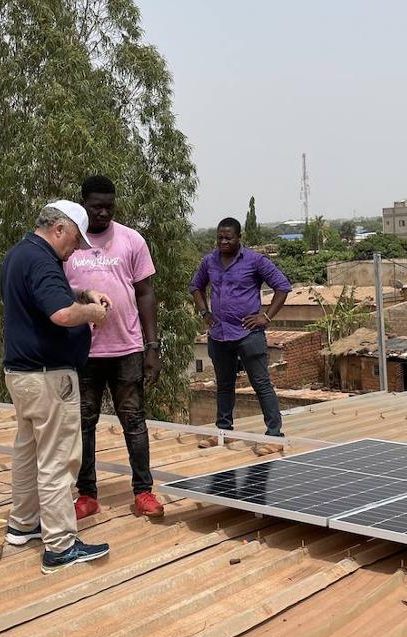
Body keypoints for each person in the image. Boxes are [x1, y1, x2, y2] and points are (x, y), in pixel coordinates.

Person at [0, 200, 113, 573]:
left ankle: (23, 523)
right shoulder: (44, 260)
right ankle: (61, 546)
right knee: (58, 459)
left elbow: (45, 302)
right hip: (49, 378)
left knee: (28, 451)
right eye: (75, 241)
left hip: (22, 375)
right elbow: (60, 314)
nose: (76, 249)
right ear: (59, 229)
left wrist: (83, 297)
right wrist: (92, 313)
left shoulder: (18, 254)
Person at [65, 175, 165, 520]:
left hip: (127, 349)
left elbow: (146, 293)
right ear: (83, 205)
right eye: (96, 207)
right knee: (83, 424)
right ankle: (87, 495)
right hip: (82, 353)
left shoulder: (131, 240)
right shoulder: (69, 245)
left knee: (134, 422)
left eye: (109, 206)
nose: (104, 213)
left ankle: (144, 491)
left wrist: (152, 347)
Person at [189, 217, 291, 455]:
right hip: (219, 335)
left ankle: (275, 436)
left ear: (238, 238)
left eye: (228, 238)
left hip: (248, 335)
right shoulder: (209, 261)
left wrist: (265, 317)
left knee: (261, 384)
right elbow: (195, 286)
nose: (223, 242)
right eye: (220, 238)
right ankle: (223, 432)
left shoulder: (254, 261)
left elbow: (282, 286)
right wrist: (205, 312)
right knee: (224, 385)